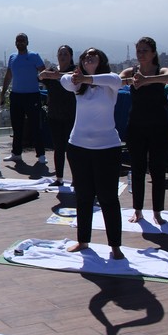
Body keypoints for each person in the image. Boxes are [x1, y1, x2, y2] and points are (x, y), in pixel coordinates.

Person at [60, 48, 124, 260]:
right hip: (78, 147)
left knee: (108, 198)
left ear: (101, 61)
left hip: (107, 149)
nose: (88, 58)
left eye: (93, 56)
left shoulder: (110, 83)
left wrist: (85, 77)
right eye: (85, 56)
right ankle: (83, 239)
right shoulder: (79, 85)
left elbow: (115, 80)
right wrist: (79, 78)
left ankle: (115, 245)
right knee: (84, 196)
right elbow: (65, 81)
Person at [120, 37, 168, 225]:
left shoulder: (160, 71)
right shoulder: (132, 71)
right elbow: (117, 80)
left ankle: (157, 211)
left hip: (158, 127)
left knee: (158, 170)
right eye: (138, 50)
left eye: (145, 50)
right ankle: (137, 210)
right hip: (136, 127)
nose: (141, 54)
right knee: (137, 169)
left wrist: (147, 81)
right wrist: (132, 80)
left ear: (153, 53)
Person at [0, 33, 46, 164]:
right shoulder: (12, 57)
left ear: (27, 42)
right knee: (17, 126)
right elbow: (8, 76)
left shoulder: (34, 56)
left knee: (35, 125)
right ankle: (16, 153)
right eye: (18, 40)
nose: (20, 42)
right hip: (16, 95)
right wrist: (3, 93)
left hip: (32, 95)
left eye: (22, 40)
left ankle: (41, 154)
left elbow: (44, 72)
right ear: (15, 42)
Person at [38, 45, 77, 186]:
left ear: (71, 56)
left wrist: (57, 76)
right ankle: (59, 178)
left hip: (71, 115)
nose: (62, 56)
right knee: (58, 148)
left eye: (65, 54)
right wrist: (47, 74)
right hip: (55, 115)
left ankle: (76, 179)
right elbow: (40, 76)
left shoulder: (75, 71)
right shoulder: (52, 71)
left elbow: (75, 79)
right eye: (60, 53)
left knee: (72, 149)